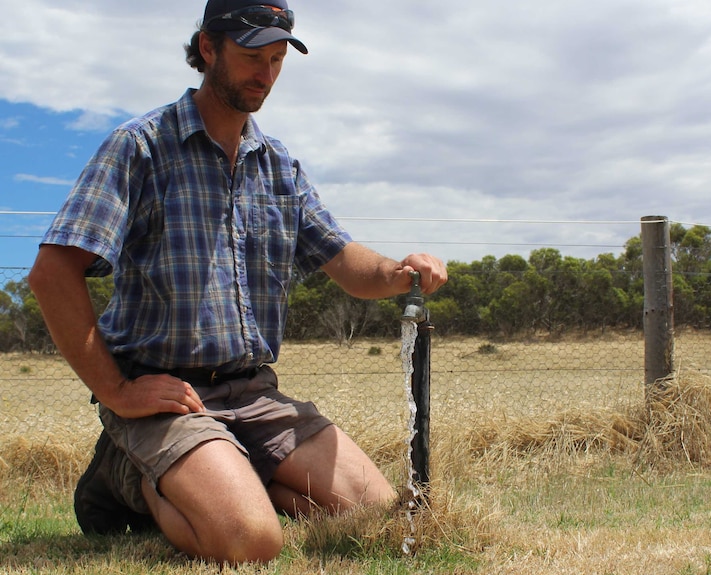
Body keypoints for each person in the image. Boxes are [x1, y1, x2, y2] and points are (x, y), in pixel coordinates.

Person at [28, 0, 447, 564]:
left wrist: (399, 272)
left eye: (277, 60)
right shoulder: (140, 147)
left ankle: (231, 472)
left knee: (375, 515)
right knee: (250, 544)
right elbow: (53, 272)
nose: (266, 75)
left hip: (255, 393)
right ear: (208, 49)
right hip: (169, 396)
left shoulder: (278, 165)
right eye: (253, 56)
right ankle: (129, 474)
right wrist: (117, 392)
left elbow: (346, 262)